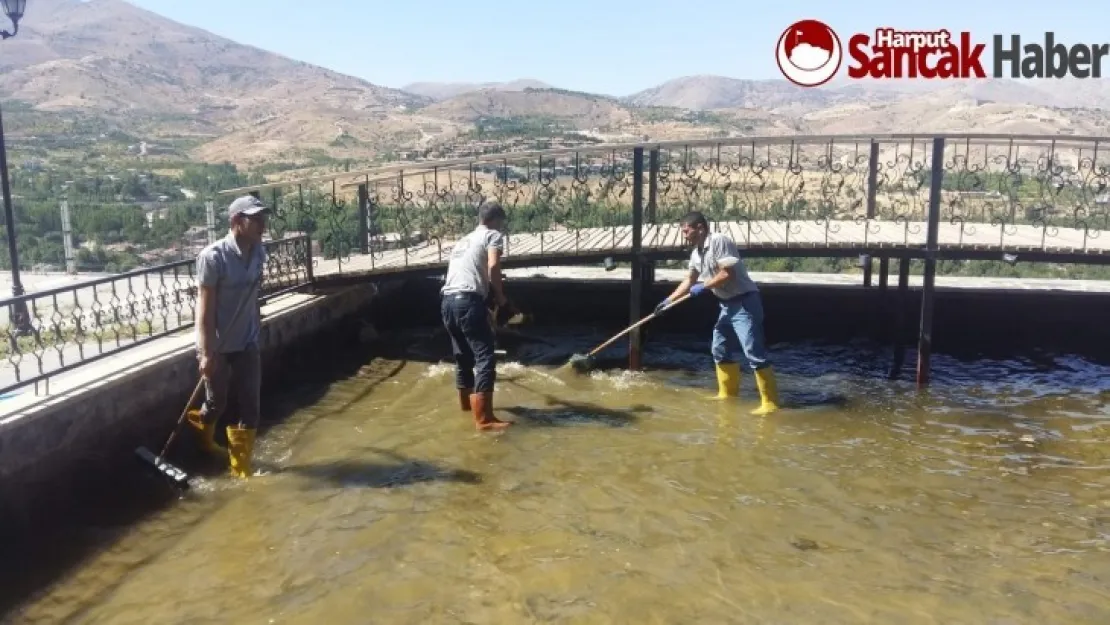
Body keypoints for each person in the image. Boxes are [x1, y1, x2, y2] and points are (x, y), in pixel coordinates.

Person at [655, 211, 780, 415]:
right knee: (719, 349)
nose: (684, 236)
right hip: (726, 305)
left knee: (753, 352)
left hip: (744, 303)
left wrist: (705, 287)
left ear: (700, 228)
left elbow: (727, 274)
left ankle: (770, 404)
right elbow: (690, 280)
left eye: (687, 231)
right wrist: (669, 300)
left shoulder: (719, 241)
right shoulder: (696, 253)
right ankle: (727, 395)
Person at [186, 194, 270, 477]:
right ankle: (204, 439)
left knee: (251, 407)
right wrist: (207, 353)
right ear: (236, 222)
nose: (263, 224)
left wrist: (257, 325)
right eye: (255, 219)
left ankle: (241, 471)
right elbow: (205, 311)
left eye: (263, 218)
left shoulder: (259, 251)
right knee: (216, 403)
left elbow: (253, 296)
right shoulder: (213, 258)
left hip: (247, 341)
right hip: (219, 344)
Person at [440, 200, 512, 431]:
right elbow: (492, 267)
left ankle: (466, 408)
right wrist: (500, 299)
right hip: (468, 302)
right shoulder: (492, 235)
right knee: (485, 358)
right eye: (501, 223)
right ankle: (484, 420)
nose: (501, 228)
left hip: (447, 302)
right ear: (495, 220)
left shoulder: (464, 240)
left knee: (462, 357)